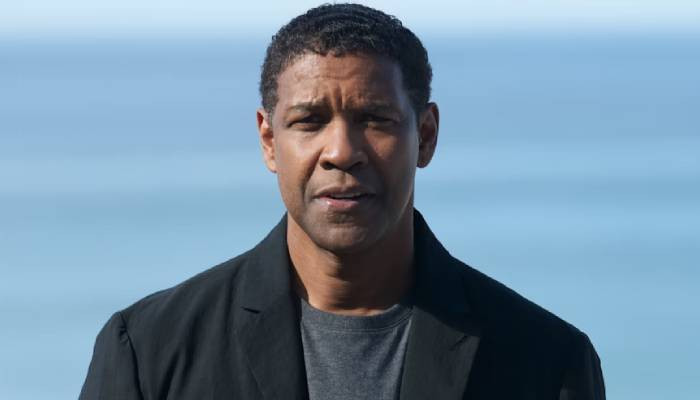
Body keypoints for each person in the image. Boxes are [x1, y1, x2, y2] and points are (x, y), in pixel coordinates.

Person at [80, 3, 605, 399]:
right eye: (309, 121)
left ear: (425, 136)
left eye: (374, 119)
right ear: (269, 141)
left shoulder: (546, 361)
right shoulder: (149, 351)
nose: (341, 152)